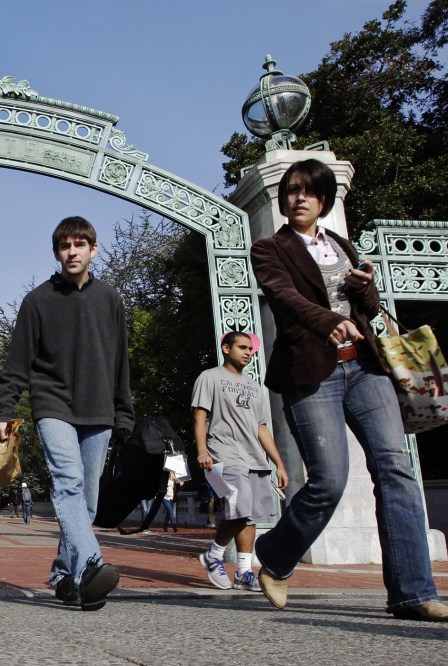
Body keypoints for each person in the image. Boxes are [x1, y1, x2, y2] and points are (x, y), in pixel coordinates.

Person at [250, 158, 448, 621]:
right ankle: (276, 556)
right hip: (310, 373)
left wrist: (366, 286)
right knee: (328, 481)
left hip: (366, 370)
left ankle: (413, 592)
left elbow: (369, 309)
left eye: (309, 191)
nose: (299, 198)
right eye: (292, 191)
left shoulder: (340, 243)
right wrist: (330, 321)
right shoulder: (270, 249)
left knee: (396, 470)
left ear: (323, 200)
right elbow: (285, 298)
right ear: (283, 200)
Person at [0, 215, 134, 612]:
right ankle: (91, 566)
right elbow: (17, 362)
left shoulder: (111, 299)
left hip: (100, 410)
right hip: (52, 405)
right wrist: (6, 407)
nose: (72, 252)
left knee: (87, 501)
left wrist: (125, 414)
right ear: (56, 253)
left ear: (93, 249)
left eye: (79, 244)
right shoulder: (37, 301)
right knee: (68, 484)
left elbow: (121, 361)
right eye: (64, 246)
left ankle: (64, 575)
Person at [192, 331, 289, 592]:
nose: (248, 352)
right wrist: (202, 451)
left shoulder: (254, 386)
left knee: (251, 515)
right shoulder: (209, 377)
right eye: (242, 347)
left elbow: (261, 428)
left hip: (254, 458)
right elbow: (200, 417)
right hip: (223, 454)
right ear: (226, 348)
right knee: (241, 507)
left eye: (251, 349)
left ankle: (244, 572)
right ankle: (214, 555)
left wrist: (278, 463)